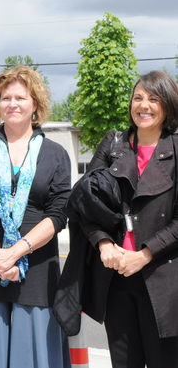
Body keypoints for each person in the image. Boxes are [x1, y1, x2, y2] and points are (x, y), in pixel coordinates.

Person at [0, 66, 71, 368]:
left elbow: (58, 214)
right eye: (6, 98)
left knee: (32, 358)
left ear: (35, 104)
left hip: (37, 272)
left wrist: (16, 253)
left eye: (21, 97)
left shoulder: (56, 154)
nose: (13, 104)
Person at [71, 71, 178, 367]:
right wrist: (103, 243)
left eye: (154, 98)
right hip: (116, 278)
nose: (144, 105)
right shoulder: (113, 144)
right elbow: (84, 202)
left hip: (164, 280)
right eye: (138, 97)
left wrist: (144, 255)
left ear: (167, 105)